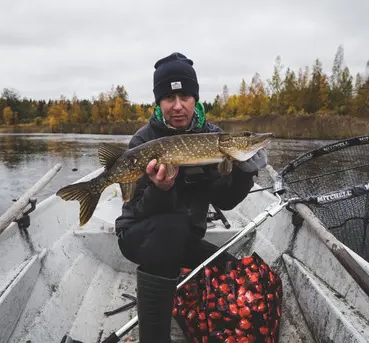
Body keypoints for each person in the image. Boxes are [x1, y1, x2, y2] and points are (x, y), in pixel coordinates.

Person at [114, 52, 268, 342]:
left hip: (185, 240)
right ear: (158, 102)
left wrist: (245, 173)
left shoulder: (215, 139)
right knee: (170, 225)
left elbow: (225, 202)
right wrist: (160, 191)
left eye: (185, 96)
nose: (177, 106)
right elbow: (134, 208)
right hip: (138, 235)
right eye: (169, 99)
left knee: (233, 275)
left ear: (195, 99)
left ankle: (181, 292)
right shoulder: (143, 141)